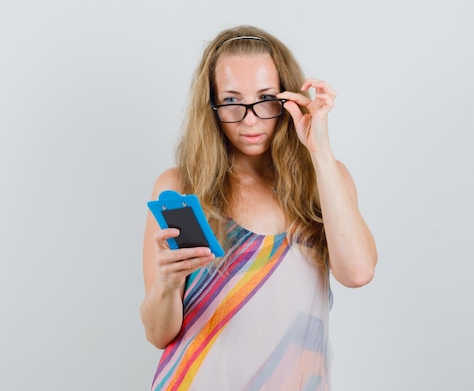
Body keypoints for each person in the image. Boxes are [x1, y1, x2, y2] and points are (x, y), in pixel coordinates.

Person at [140, 25, 377, 390]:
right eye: (232, 101)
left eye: (266, 98)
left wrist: (319, 151)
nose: (250, 119)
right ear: (212, 106)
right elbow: (158, 334)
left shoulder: (325, 178)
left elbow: (358, 272)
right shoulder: (180, 187)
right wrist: (168, 285)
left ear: (289, 98)